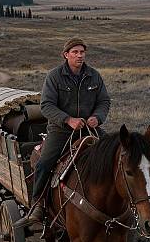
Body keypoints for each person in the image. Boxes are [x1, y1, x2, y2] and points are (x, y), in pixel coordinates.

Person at [16, 37, 111, 227]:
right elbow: (46, 106)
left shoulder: (94, 76)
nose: (79, 55)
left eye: (82, 52)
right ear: (66, 55)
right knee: (44, 163)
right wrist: (68, 120)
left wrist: (97, 117)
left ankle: (114, 203)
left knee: (113, 155)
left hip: (89, 129)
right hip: (61, 131)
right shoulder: (54, 76)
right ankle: (38, 206)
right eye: (75, 52)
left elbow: (104, 102)